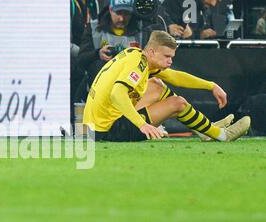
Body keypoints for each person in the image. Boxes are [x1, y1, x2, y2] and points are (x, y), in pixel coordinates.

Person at [83, 30, 251, 142]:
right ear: (151, 52)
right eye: (166, 56)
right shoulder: (138, 65)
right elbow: (117, 93)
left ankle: (204, 130)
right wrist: (142, 125)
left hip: (94, 127)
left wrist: (211, 85)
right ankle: (221, 135)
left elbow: (175, 77)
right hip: (108, 131)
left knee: (156, 85)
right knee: (178, 104)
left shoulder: (135, 54)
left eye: (172, 57)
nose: (170, 61)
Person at [78, 0, 141, 84]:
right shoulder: (94, 28)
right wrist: (98, 54)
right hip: (98, 85)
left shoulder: (141, 32)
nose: (122, 18)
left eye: (126, 13)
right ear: (111, 9)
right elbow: (81, 60)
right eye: (118, 13)